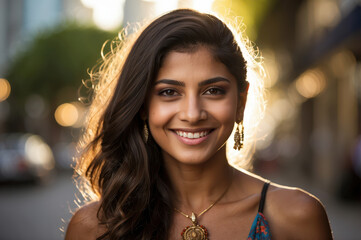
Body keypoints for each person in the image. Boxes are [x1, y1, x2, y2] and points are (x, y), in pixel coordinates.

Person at [65, 9, 333, 240]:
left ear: (241, 102)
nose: (192, 114)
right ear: (143, 106)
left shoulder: (297, 216)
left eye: (213, 90)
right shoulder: (94, 227)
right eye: (169, 92)